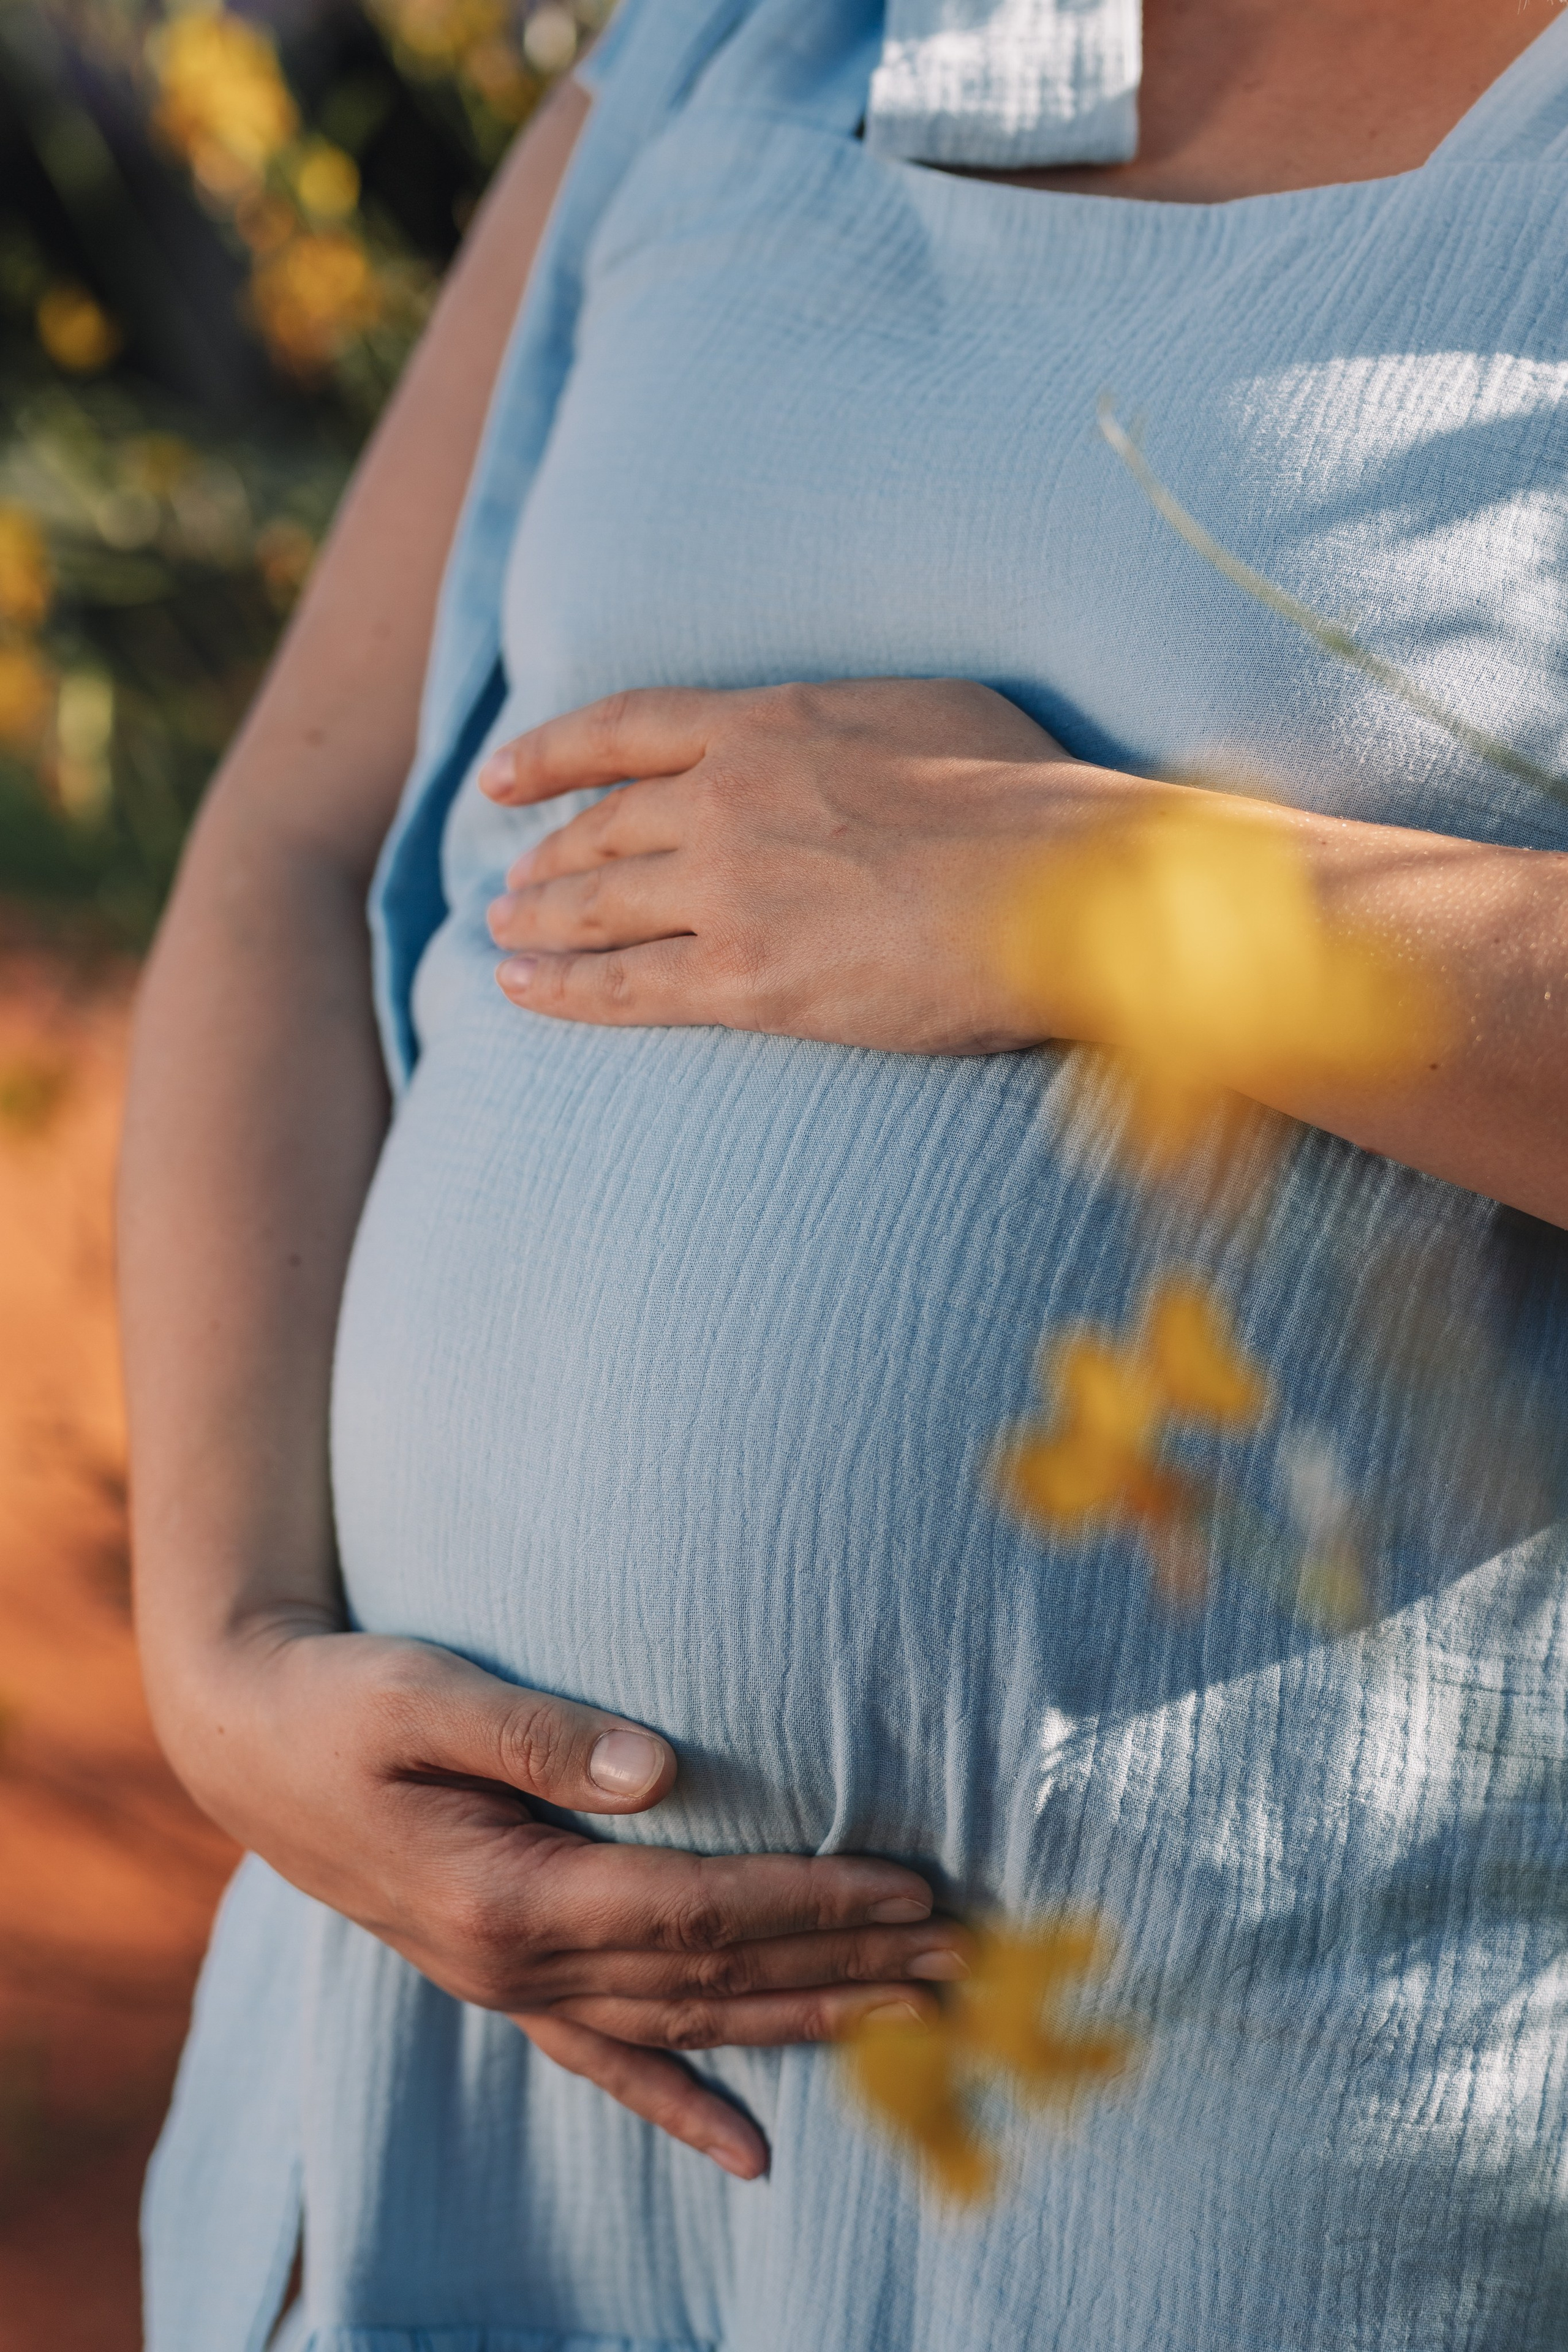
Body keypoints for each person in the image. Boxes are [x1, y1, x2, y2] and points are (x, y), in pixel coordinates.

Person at [120, 1, 1568, 2344]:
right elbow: (299, 838)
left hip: (1220, 2173)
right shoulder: (771, 47)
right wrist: (225, 1659)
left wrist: (1107, 905)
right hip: (449, 2080)